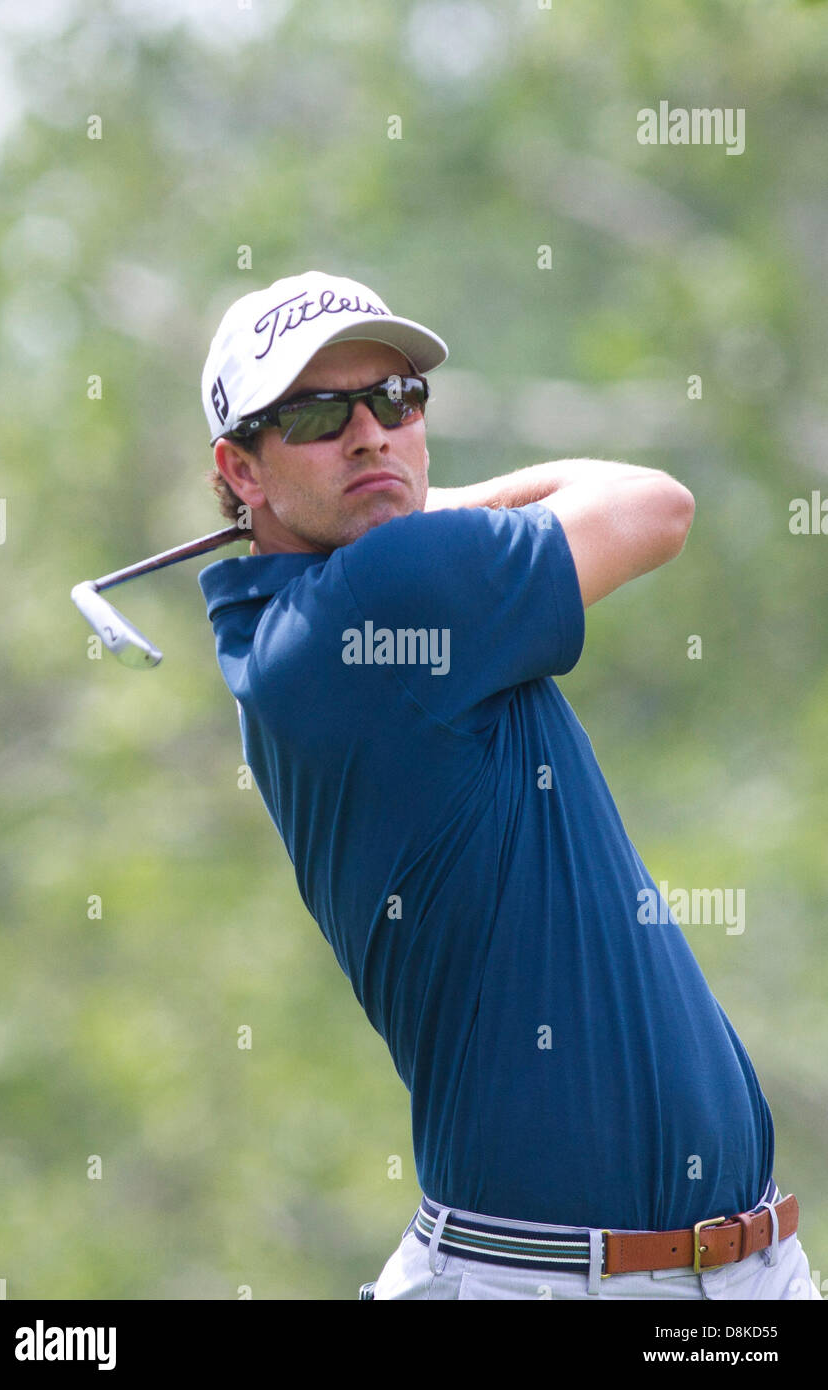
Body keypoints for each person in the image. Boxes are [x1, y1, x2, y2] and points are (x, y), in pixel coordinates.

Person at [197, 269, 819, 1300]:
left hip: (729, 1275)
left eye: (394, 400)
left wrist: (402, 515)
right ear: (242, 470)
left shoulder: (296, 624)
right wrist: (423, 514)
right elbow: (652, 504)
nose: (369, 435)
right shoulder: (384, 600)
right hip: (550, 1283)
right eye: (315, 414)